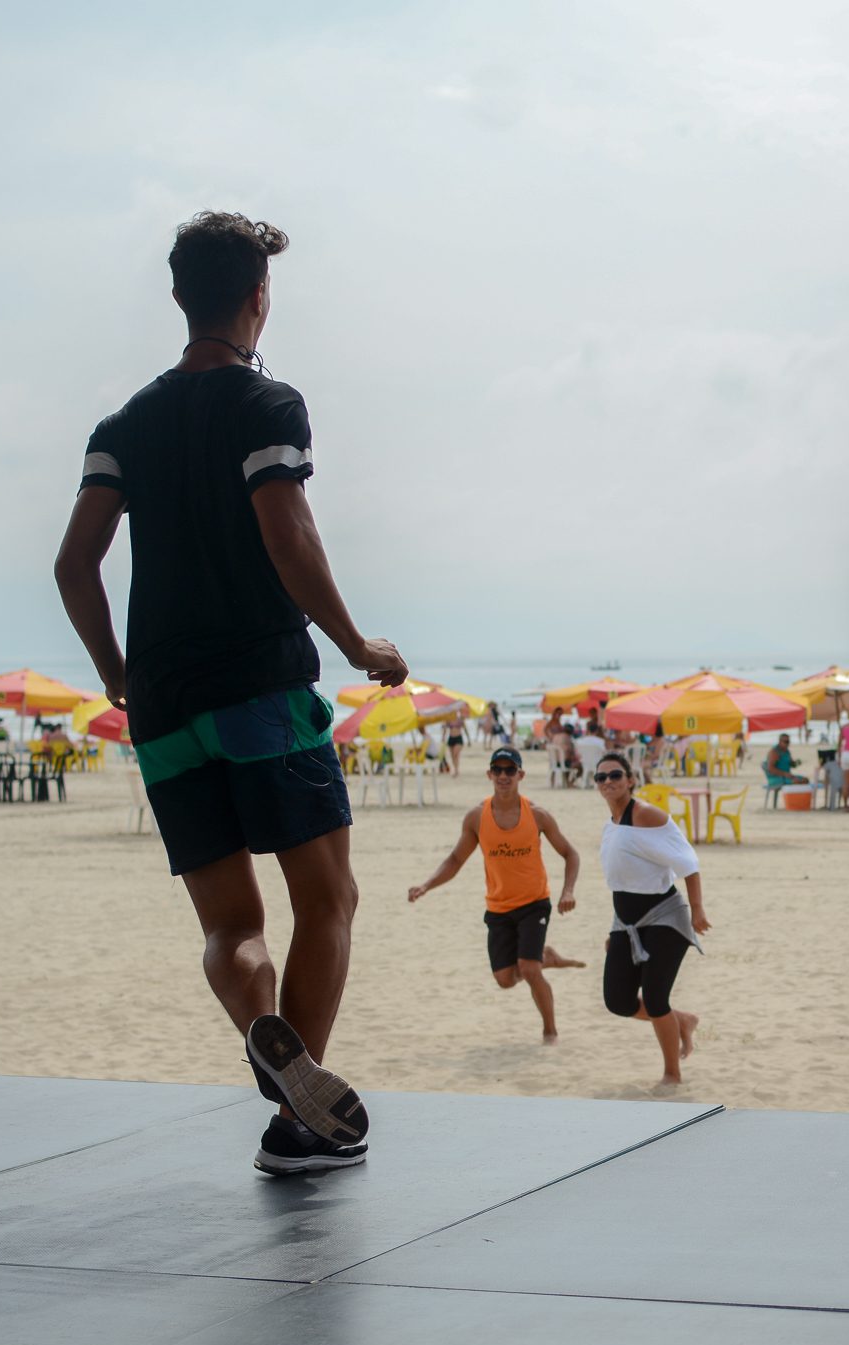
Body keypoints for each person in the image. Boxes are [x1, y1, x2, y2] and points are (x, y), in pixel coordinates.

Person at [54, 210, 405, 1178]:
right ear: (260, 298)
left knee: (228, 927)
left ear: (179, 298)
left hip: (163, 702)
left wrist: (118, 677)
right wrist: (354, 642)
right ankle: (299, 1117)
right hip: (257, 683)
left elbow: (74, 565)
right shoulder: (267, 407)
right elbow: (287, 535)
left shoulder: (122, 426)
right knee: (327, 898)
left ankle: (265, 1032)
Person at [407, 747, 586, 1040]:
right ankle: (547, 957)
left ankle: (550, 1031)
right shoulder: (477, 817)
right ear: (489, 774)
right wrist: (426, 885)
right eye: (498, 770)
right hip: (498, 907)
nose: (504, 776)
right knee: (504, 980)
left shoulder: (538, 815)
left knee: (529, 970)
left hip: (534, 903)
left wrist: (568, 890)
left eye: (510, 770)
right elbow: (455, 860)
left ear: (521, 775)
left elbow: (570, 854)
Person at [592, 753, 709, 1085]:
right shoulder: (611, 824)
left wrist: (698, 910)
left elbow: (688, 861)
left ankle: (672, 1073)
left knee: (656, 999)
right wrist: (615, 928)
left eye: (615, 775)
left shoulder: (647, 816)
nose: (608, 782)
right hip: (626, 924)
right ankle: (681, 1021)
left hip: (665, 919)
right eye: (601, 778)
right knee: (617, 1000)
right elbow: (623, 881)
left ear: (630, 779)